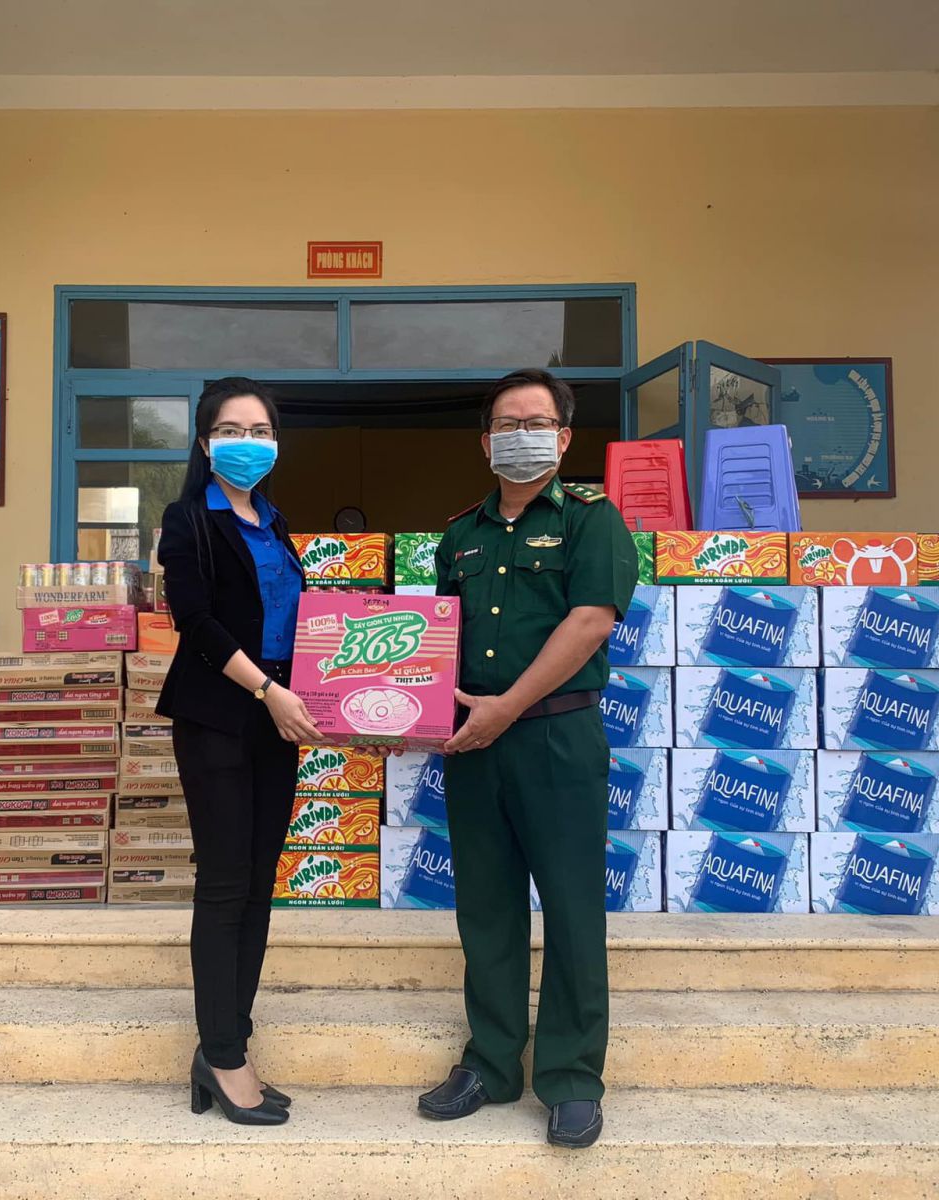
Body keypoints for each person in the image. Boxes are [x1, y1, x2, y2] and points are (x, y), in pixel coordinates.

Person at [417, 368, 636, 1149]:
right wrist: (400, 704)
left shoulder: (592, 520)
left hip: (555, 738)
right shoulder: (460, 535)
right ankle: (491, 1061)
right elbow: (438, 640)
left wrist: (506, 706)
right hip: (474, 743)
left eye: (537, 423)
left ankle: (571, 1077)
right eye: (507, 425)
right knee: (486, 905)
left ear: (564, 437)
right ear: (486, 443)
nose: (522, 435)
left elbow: (590, 622)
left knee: (572, 906)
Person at [156, 376, 318, 1128]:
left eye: (261, 431)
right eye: (232, 430)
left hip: (276, 721)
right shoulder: (188, 519)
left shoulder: (276, 524)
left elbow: (298, 624)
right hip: (221, 716)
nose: (247, 443)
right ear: (205, 441)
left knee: (258, 883)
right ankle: (221, 1055)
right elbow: (196, 621)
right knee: (225, 884)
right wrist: (266, 690)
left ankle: (231, 1043)